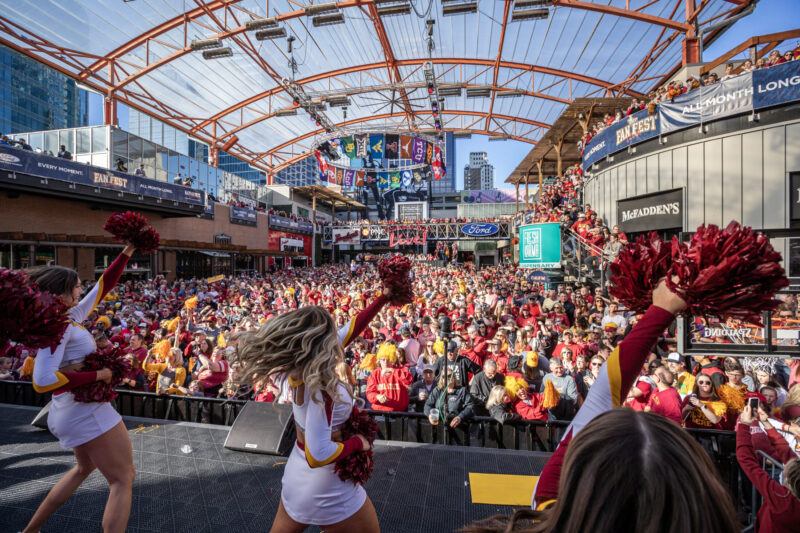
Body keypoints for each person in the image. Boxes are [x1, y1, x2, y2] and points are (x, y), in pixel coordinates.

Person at [232, 289, 390, 533]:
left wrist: (383, 298)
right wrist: (359, 443)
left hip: (297, 478)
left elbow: (351, 329)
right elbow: (317, 454)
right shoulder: (321, 387)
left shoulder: (293, 367)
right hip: (327, 486)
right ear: (322, 343)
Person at [25, 243, 137, 533]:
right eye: (76, 286)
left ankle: (31, 530)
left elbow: (103, 286)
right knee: (122, 479)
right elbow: (42, 381)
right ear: (61, 292)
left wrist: (128, 250)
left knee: (83, 469)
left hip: (70, 409)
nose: (81, 290)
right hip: (83, 410)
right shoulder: (60, 326)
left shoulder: (67, 317)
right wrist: (99, 374)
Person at [737, 403, 800, 532]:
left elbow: (747, 461)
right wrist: (766, 423)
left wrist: (743, 425)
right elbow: (784, 449)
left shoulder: (782, 499)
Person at [365, 343, 412, 412]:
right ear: (379, 361)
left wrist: (391, 370)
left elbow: (408, 379)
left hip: (399, 413)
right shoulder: (375, 374)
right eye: (383, 360)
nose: (385, 362)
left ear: (392, 360)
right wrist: (377, 396)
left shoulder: (400, 370)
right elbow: (370, 393)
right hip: (380, 412)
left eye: (388, 359)